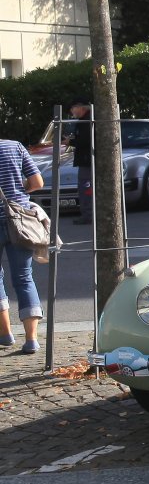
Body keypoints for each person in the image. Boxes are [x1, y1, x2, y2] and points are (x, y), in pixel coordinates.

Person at [0, 135, 45, 354]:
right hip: (19, 219)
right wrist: (17, 192)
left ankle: (5, 334)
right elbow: (37, 183)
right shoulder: (14, 147)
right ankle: (31, 339)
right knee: (24, 277)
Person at [67, 98, 91, 224]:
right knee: (86, 187)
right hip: (87, 159)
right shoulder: (86, 120)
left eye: (72, 108)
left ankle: (88, 214)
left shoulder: (86, 121)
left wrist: (70, 142)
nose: (72, 111)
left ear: (80, 107)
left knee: (86, 187)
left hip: (87, 160)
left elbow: (85, 140)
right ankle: (88, 213)